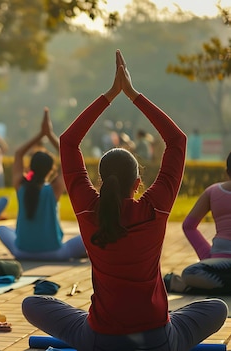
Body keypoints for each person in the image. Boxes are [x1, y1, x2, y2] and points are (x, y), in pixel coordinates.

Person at [22, 50, 227, 350]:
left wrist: (109, 95)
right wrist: (132, 94)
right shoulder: (154, 207)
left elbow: (68, 142)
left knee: (31, 304)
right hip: (158, 339)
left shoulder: (88, 209)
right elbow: (176, 141)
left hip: (99, 339)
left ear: (101, 182)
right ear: (138, 182)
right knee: (217, 308)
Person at [0, 108, 87, 261]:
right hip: (55, 254)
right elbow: (68, 155)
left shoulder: (21, 186)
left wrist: (40, 134)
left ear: (30, 167)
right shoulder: (54, 189)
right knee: (88, 235)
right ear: (51, 170)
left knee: (1, 229)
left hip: (22, 252)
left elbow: (18, 153)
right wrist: (49, 134)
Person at [164, 151, 231, 294]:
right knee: (191, 271)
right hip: (219, 264)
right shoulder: (212, 192)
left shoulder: (212, 191)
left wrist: (206, 256)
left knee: (191, 272)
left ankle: (192, 287)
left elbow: (189, 226)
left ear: (227, 171)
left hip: (216, 264)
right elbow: (188, 226)